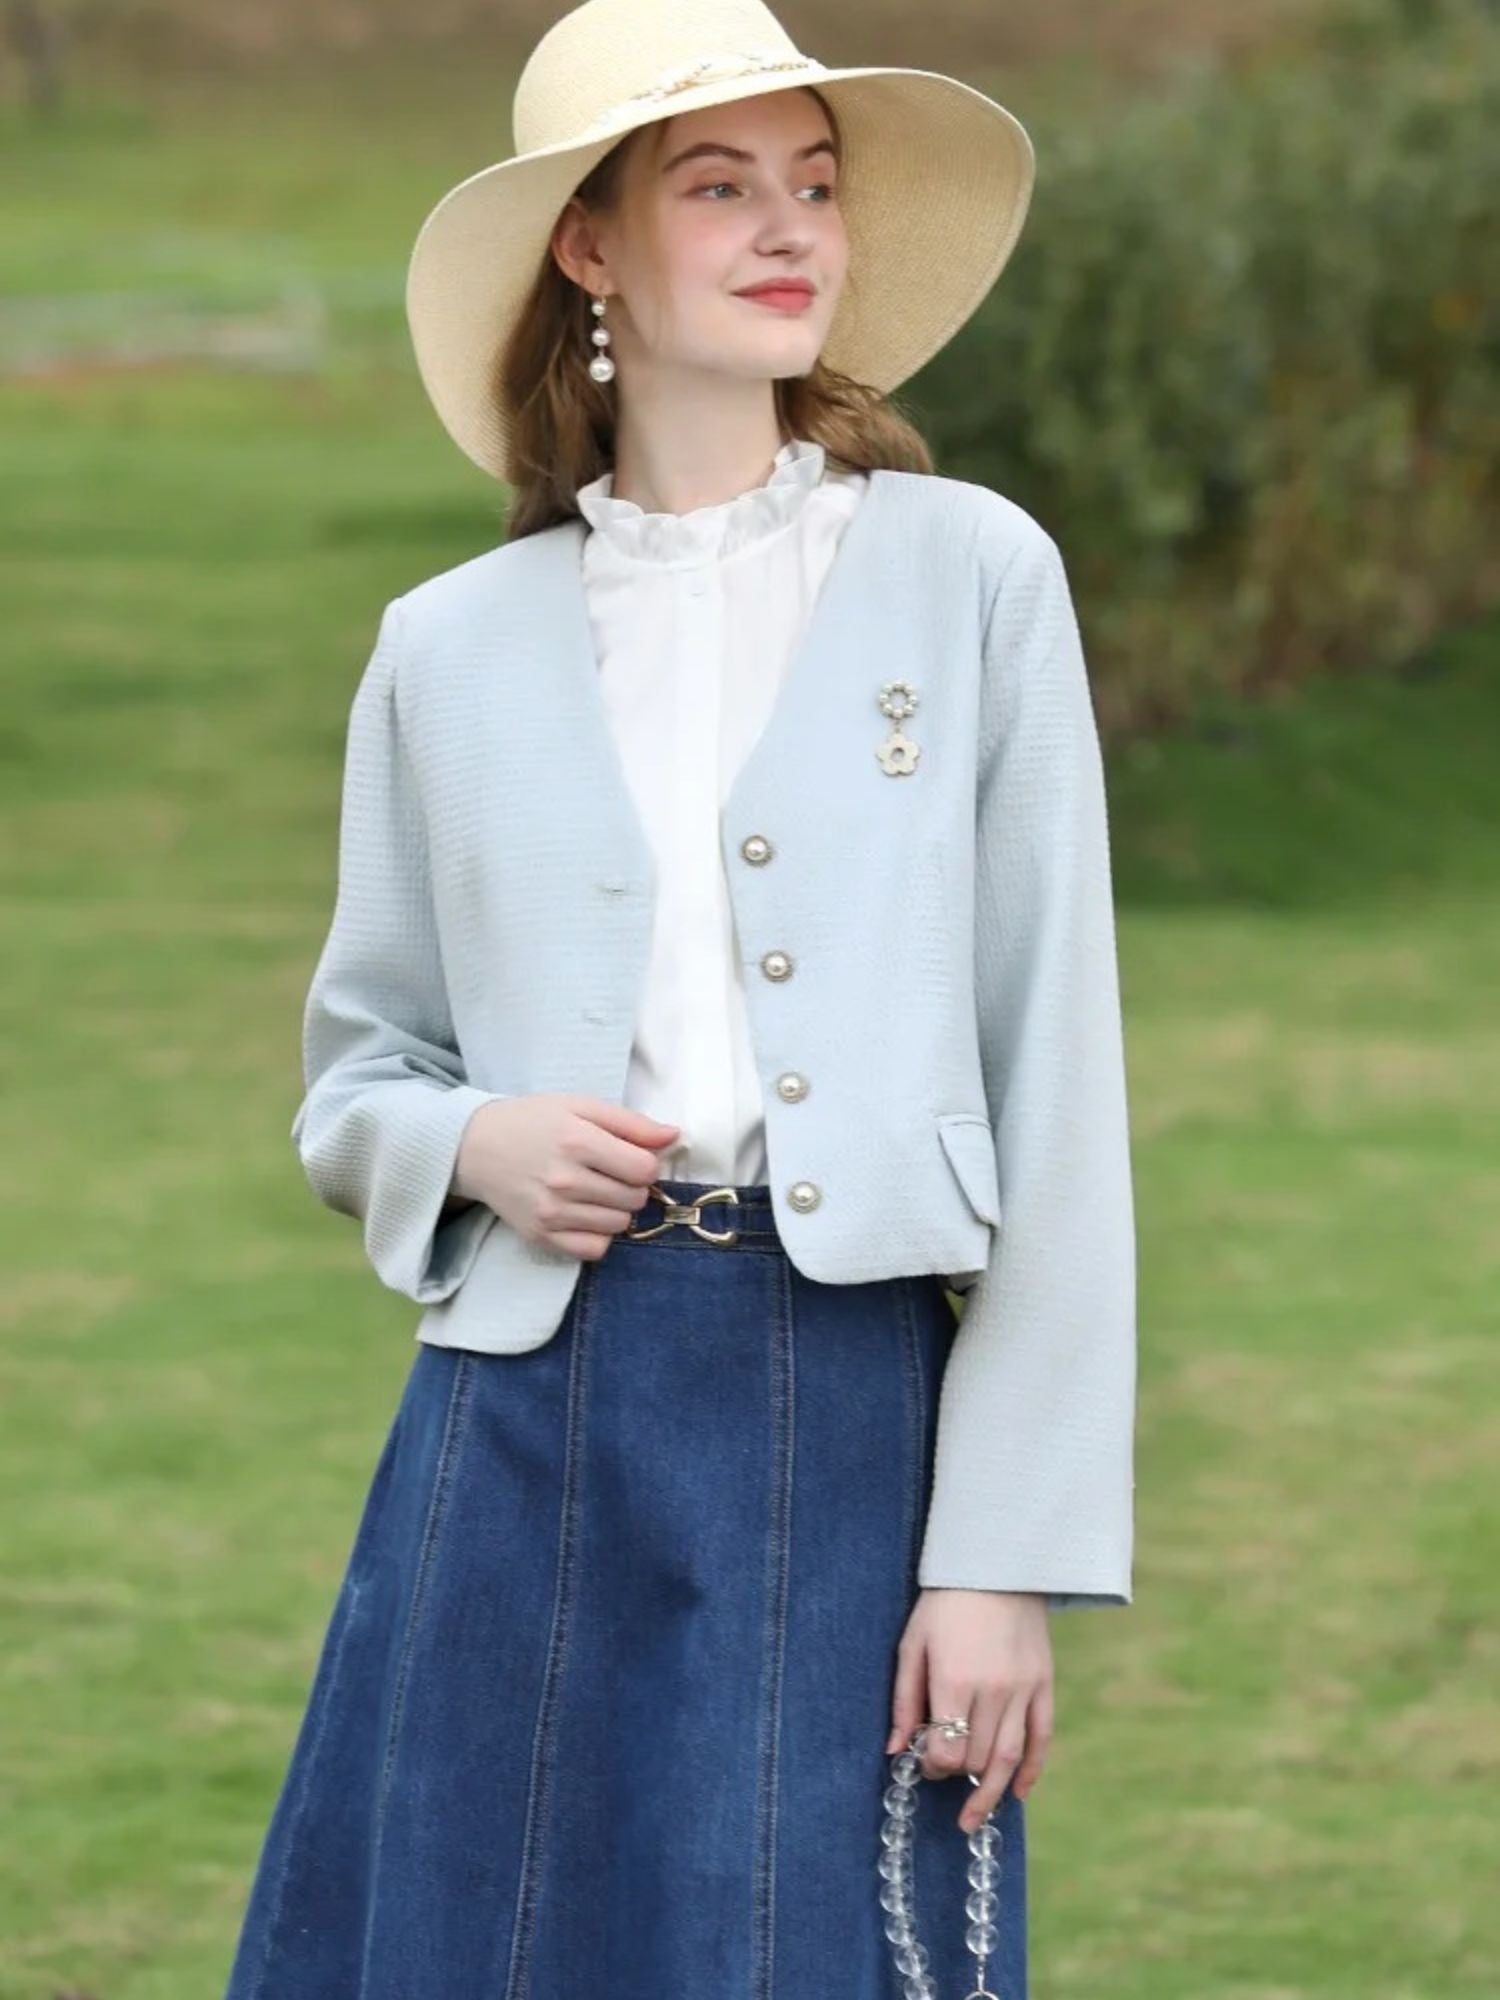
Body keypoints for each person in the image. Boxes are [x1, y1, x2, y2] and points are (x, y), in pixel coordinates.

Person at [220, 1, 1138, 1995]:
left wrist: (1002, 1554)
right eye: (716, 187)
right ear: (591, 248)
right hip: (519, 1410)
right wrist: (475, 1136)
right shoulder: (447, 647)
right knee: (484, 1939)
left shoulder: (973, 578)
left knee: (794, 1940)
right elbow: (357, 1070)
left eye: (812, 184)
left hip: (843, 1397)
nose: (786, 228)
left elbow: (1057, 1078)